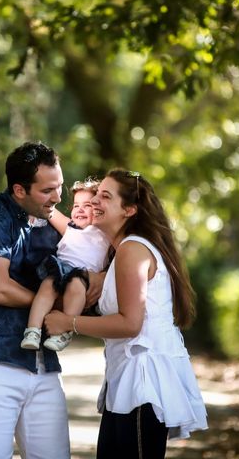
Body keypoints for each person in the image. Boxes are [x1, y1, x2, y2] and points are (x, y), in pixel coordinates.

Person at [44, 168, 208, 458]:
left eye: (105, 196)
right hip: (125, 379)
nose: (94, 201)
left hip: (142, 384)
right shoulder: (123, 252)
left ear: (129, 209)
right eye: (96, 194)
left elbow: (130, 324)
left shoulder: (132, 249)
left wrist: (68, 323)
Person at [0, 142, 102, 459]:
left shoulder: (50, 219)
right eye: (48, 190)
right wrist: (51, 306)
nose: (58, 197)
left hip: (44, 366)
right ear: (20, 189)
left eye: (60, 186)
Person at [21, 177, 111, 352]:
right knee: (47, 286)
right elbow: (51, 211)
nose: (80, 209)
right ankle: (33, 330)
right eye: (76, 205)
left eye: (88, 205)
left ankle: (64, 332)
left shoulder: (104, 233)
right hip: (60, 269)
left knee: (75, 288)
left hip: (83, 277)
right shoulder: (69, 228)